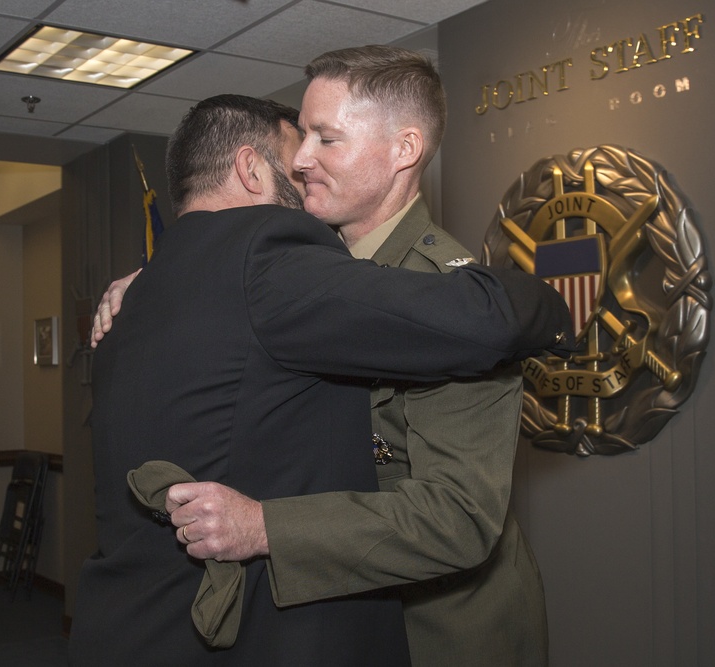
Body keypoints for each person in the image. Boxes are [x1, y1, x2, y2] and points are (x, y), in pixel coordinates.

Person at [71, 93, 572, 666]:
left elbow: (456, 514)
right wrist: (555, 312)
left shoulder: (142, 292)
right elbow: (483, 320)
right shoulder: (265, 256)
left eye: (326, 142)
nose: (307, 164)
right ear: (250, 169)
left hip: (140, 624)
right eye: (298, 151)